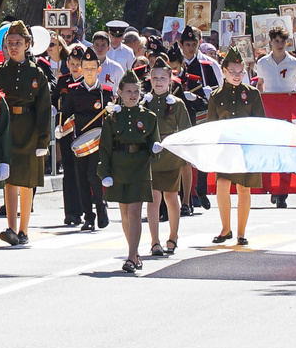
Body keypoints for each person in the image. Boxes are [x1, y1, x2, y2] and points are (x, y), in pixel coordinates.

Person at [0, 26, 53, 246]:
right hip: (8, 128)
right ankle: (11, 228)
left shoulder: (36, 73)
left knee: (26, 181)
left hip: (30, 129)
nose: (13, 47)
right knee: (10, 179)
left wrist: (43, 140)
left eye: (18, 43)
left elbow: (43, 108)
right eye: (10, 43)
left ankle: (24, 230)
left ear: (27, 45)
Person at [96, 70, 162, 274]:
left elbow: (154, 141)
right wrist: (104, 172)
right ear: (120, 93)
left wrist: (155, 148)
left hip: (140, 167)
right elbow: (105, 148)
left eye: (136, 91)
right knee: (125, 213)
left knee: (134, 212)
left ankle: (131, 257)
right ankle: (134, 252)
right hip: (119, 167)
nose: (133, 95)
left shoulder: (149, 117)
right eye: (128, 91)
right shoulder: (113, 118)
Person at [204, 48, 263, 245]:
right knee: (222, 185)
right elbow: (211, 124)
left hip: (246, 147)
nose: (237, 76)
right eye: (233, 72)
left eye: (240, 72)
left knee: (243, 188)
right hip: (225, 147)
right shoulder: (216, 96)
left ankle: (241, 233)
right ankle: (225, 228)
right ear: (224, 71)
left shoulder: (252, 94)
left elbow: (260, 121)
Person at [52, 48, 107, 232]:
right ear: (82, 69)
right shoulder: (74, 91)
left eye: (93, 68)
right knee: (81, 177)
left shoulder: (105, 93)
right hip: (79, 141)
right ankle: (88, 216)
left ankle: (100, 206)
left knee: (93, 175)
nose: (89, 71)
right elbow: (65, 112)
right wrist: (60, 127)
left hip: (98, 142)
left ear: (99, 69)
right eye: (86, 68)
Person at [144, 60, 194, 257]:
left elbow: (185, 131)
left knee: (171, 197)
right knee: (153, 198)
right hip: (151, 157)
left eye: (163, 78)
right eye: (155, 78)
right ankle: (154, 241)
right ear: (149, 79)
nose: (158, 82)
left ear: (170, 80)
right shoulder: (145, 102)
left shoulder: (177, 104)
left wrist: (180, 150)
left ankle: (173, 237)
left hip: (171, 156)